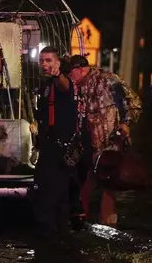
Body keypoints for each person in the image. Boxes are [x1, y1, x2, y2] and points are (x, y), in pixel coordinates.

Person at [66, 55, 142, 227]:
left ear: (81, 69)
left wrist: (126, 123)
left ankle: (107, 226)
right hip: (85, 147)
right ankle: (81, 224)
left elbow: (134, 102)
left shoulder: (109, 81)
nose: (69, 78)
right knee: (82, 185)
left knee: (109, 188)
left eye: (71, 73)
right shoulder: (73, 88)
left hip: (110, 145)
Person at [32, 46, 88, 234]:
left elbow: (64, 85)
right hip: (49, 146)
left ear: (58, 63)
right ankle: (56, 232)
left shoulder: (63, 82)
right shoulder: (46, 84)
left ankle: (55, 234)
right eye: (42, 61)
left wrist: (58, 75)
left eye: (49, 60)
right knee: (50, 192)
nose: (44, 64)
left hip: (61, 149)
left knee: (54, 194)